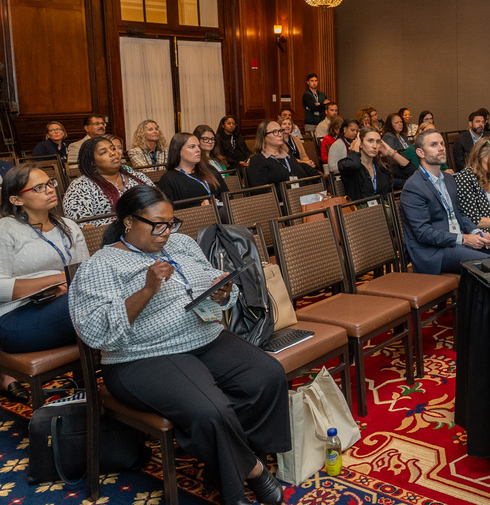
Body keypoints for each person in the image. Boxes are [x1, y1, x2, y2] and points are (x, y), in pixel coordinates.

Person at [68, 185, 288, 505]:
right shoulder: (101, 265)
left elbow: (210, 284)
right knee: (210, 409)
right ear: (129, 222)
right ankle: (250, 471)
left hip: (202, 336)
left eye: (171, 223)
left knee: (267, 375)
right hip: (142, 356)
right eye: (157, 225)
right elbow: (96, 333)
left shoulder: (181, 243)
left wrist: (221, 293)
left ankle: (225, 461)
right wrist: (147, 289)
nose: (166, 232)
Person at [0, 164, 88, 402]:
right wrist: (56, 279)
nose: (50, 190)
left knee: (99, 299)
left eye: (50, 183)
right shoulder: (6, 229)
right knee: (92, 303)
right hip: (16, 319)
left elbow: (84, 271)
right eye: (39, 187)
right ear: (16, 199)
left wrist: (70, 283)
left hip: (62, 306)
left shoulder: (68, 226)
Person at [400, 130, 490, 274]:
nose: (441, 148)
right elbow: (424, 233)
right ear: (420, 152)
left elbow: (460, 214)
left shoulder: (449, 179)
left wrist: (478, 233)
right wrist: (463, 239)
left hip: (459, 241)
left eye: (442, 144)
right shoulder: (414, 186)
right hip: (435, 252)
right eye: (434, 145)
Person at [63, 137, 153, 224]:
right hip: (107, 237)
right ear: (92, 162)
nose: (113, 153)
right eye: (103, 152)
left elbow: (159, 204)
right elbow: (82, 226)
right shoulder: (80, 186)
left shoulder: (139, 177)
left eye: (113, 149)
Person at [337, 126, 414, 200]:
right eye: (370, 141)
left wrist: (391, 152)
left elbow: (412, 172)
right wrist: (355, 147)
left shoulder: (382, 165)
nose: (374, 146)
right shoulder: (346, 164)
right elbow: (353, 164)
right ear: (360, 143)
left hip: (383, 211)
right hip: (361, 212)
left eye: (378, 142)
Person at [156, 132, 226, 204]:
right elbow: (169, 211)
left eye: (198, 146)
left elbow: (227, 196)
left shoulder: (210, 169)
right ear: (179, 151)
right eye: (192, 147)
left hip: (221, 212)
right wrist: (200, 208)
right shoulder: (168, 179)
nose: (198, 150)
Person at [247, 120, 317, 189]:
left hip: (304, 196)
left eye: (280, 131)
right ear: (264, 137)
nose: (280, 134)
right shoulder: (258, 160)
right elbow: (260, 191)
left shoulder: (288, 156)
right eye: (275, 132)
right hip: (281, 199)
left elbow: (305, 174)